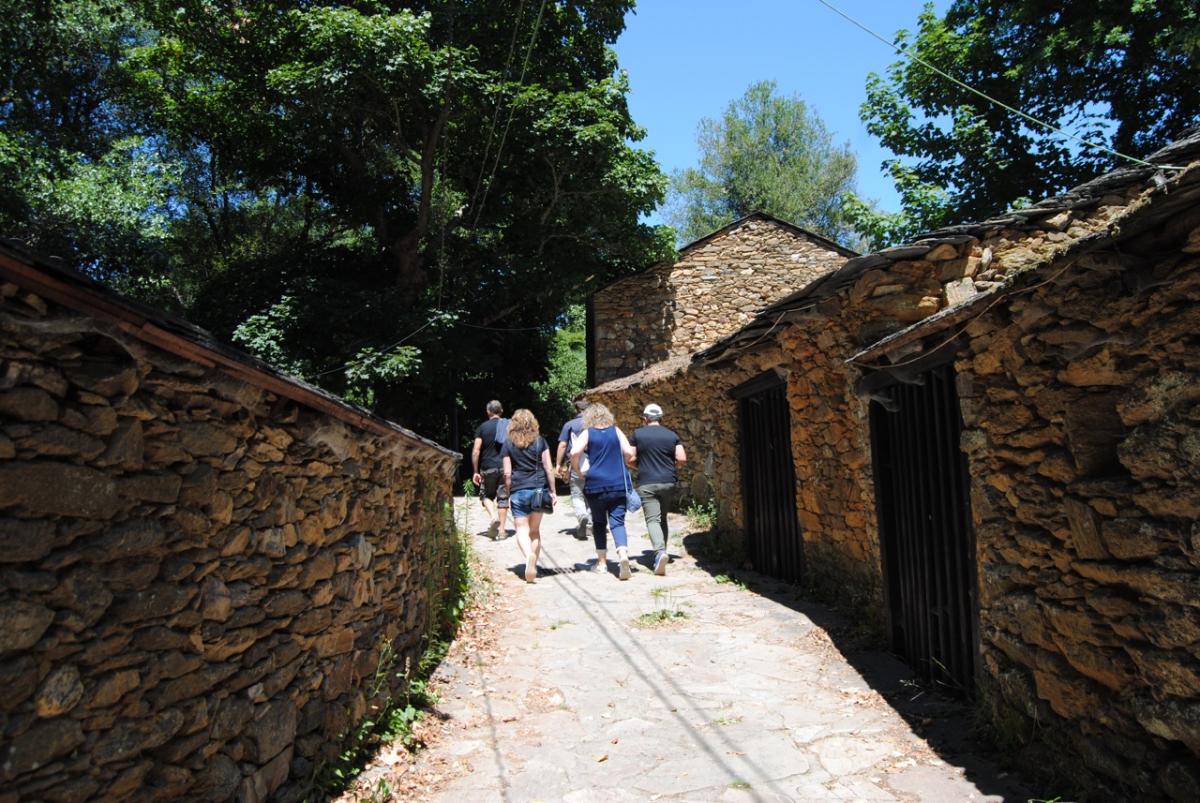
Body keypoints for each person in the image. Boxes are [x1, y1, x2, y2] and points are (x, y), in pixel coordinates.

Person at [570, 402, 636, 580]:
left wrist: (577, 470)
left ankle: (602, 563)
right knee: (618, 522)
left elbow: (574, 452)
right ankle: (623, 555)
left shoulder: (588, 433)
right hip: (617, 484)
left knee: (599, 524)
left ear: (588, 418)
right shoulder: (616, 431)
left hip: (595, 483)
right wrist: (623, 461)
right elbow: (629, 452)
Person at [630, 403, 687, 576]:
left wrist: (637, 466)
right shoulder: (672, 435)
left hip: (647, 482)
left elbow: (630, 457)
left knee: (652, 520)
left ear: (645, 418)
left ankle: (660, 552)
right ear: (661, 419)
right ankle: (663, 551)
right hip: (668, 482)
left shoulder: (637, 434)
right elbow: (682, 458)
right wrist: (670, 466)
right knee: (662, 517)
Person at [501, 409, 557, 583]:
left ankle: (528, 557)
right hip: (538, 491)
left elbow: (508, 473)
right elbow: (548, 468)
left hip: (518, 491)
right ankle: (533, 563)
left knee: (521, 530)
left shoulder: (508, 444)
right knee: (534, 530)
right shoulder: (541, 442)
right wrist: (553, 490)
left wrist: (508, 492)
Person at [471, 400, 509, 539]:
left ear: (488, 411)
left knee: (485, 496)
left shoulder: (482, 427)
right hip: (505, 467)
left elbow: (476, 451)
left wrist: (475, 471)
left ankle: (494, 517)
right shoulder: (508, 426)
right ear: (501, 411)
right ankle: (503, 531)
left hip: (488, 467)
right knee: (503, 498)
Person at [555, 399, 591, 541]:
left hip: (577, 464)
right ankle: (591, 524)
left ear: (576, 410)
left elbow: (563, 445)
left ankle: (582, 516)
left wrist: (558, 464)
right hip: (595, 465)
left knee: (577, 494)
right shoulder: (595, 425)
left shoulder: (569, 425)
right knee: (592, 495)